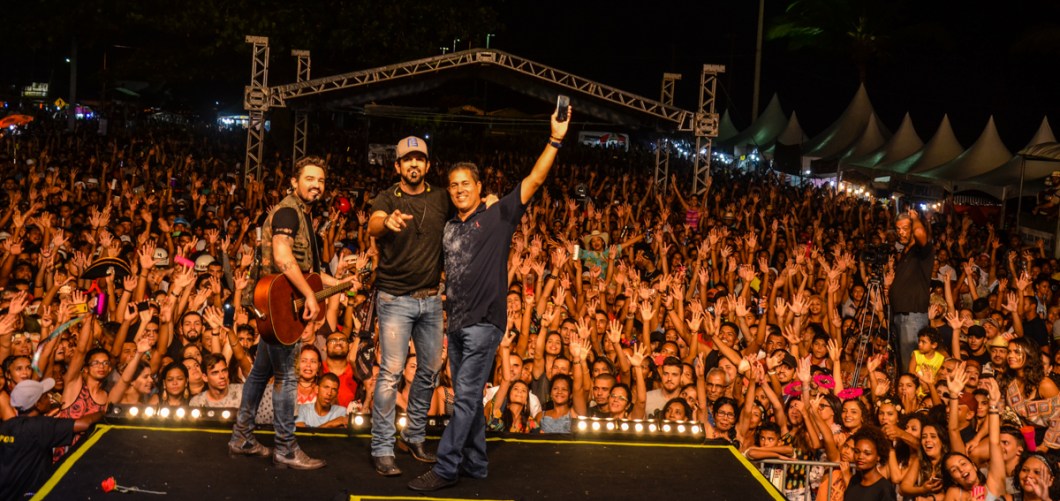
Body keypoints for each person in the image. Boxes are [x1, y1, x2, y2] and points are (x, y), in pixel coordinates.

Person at [408, 105, 570, 492]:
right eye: (454, 185)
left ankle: (446, 467)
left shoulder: (498, 214)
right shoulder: (448, 227)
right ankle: (477, 463)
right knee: (468, 397)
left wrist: (555, 139)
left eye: (466, 183)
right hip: (457, 324)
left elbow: (534, 179)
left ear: (479, 187)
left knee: (465, 398)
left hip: (484, 324)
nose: (459, 189)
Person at [228, 155, 353, 470]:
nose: (316, 185)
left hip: (278, 304)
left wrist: (341, 283)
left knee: (260, 372)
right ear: (294, 182)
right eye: (309, 179)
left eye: (321, 180)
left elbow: (308, 271)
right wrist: (310, 294)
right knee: (286, 376)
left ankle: (241, 437)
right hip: (280, 305)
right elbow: (283, 257)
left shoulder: (303, 215)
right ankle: (285, 447)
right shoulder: (288, 211)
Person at [366, 136, 449, 476]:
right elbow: (373, 223)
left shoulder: (441, 197)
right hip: (395, 299)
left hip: (430, 299)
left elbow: (468, 207)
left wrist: (486, 199)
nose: (414, 164)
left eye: (419, 159)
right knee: (390, 374)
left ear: (427, 166)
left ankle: (413, 436)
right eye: (407, 159)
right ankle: (382, 447)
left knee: (429, 371)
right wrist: (386, 222)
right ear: (397, 166)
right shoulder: (387, 198)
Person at [1, 379, 103, 500]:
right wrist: (103, 412)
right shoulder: (41, 426)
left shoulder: (6, 426)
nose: (49, 399)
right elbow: (84, 424)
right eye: (45, 396)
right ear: (37, 404)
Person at [889, 209, 933, 373]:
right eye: (898, 229)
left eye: (905, 228)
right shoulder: (905, 252)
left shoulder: (923, 251)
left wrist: (915, 218)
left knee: (911, 365)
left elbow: (921, 233)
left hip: (912, 316)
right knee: (902, 362)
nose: (901, 232)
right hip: (900, 315)